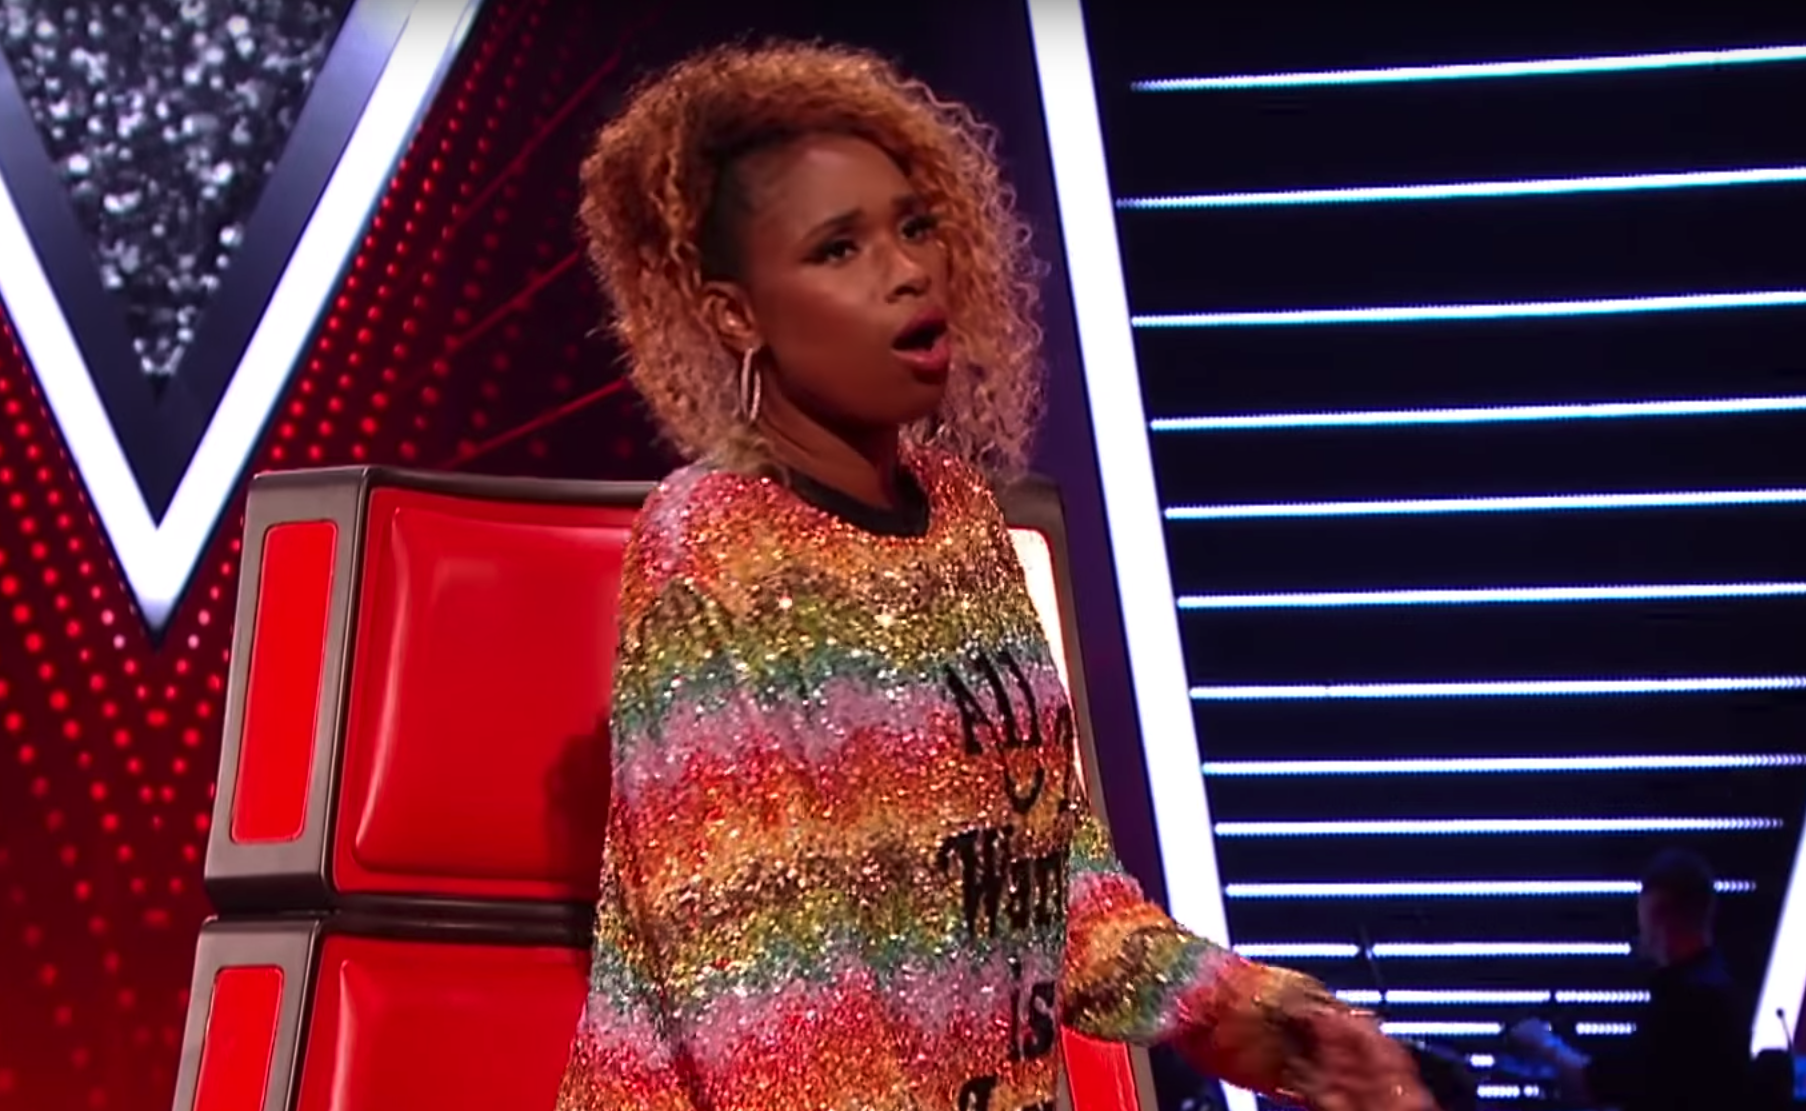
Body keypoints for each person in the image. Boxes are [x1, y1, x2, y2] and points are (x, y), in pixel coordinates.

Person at [553, 40, 1432, 1111]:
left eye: (914, 225)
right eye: (840, 249)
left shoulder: (964, 523)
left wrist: (1276, 1027)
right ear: (739, 315)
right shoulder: (709, 544)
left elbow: (1055, 890)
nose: (909, 269)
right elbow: (768, 1007)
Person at [1508, 850, 1751, 1110]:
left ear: (1658, 914)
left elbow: (1613, 1084)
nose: (1640, 932)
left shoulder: (1687, 1001)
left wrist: (1544, 1044)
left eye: (1642, 917)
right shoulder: (1718, 989)